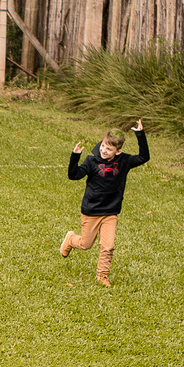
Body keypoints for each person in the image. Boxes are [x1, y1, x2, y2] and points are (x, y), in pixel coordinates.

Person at [61, 120, 149, 287]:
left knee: (108, 246)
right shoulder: (91, 161)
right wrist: (75, 156)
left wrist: (140, 134)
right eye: (103, 146)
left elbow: (144, 157)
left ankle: (102, 276)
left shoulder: (124, 161)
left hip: (110, 212)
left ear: (118, 151)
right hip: (91, 211)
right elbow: (74, 175)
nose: (104, 150)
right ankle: (71, 239)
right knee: (85, 245)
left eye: (109, 149)